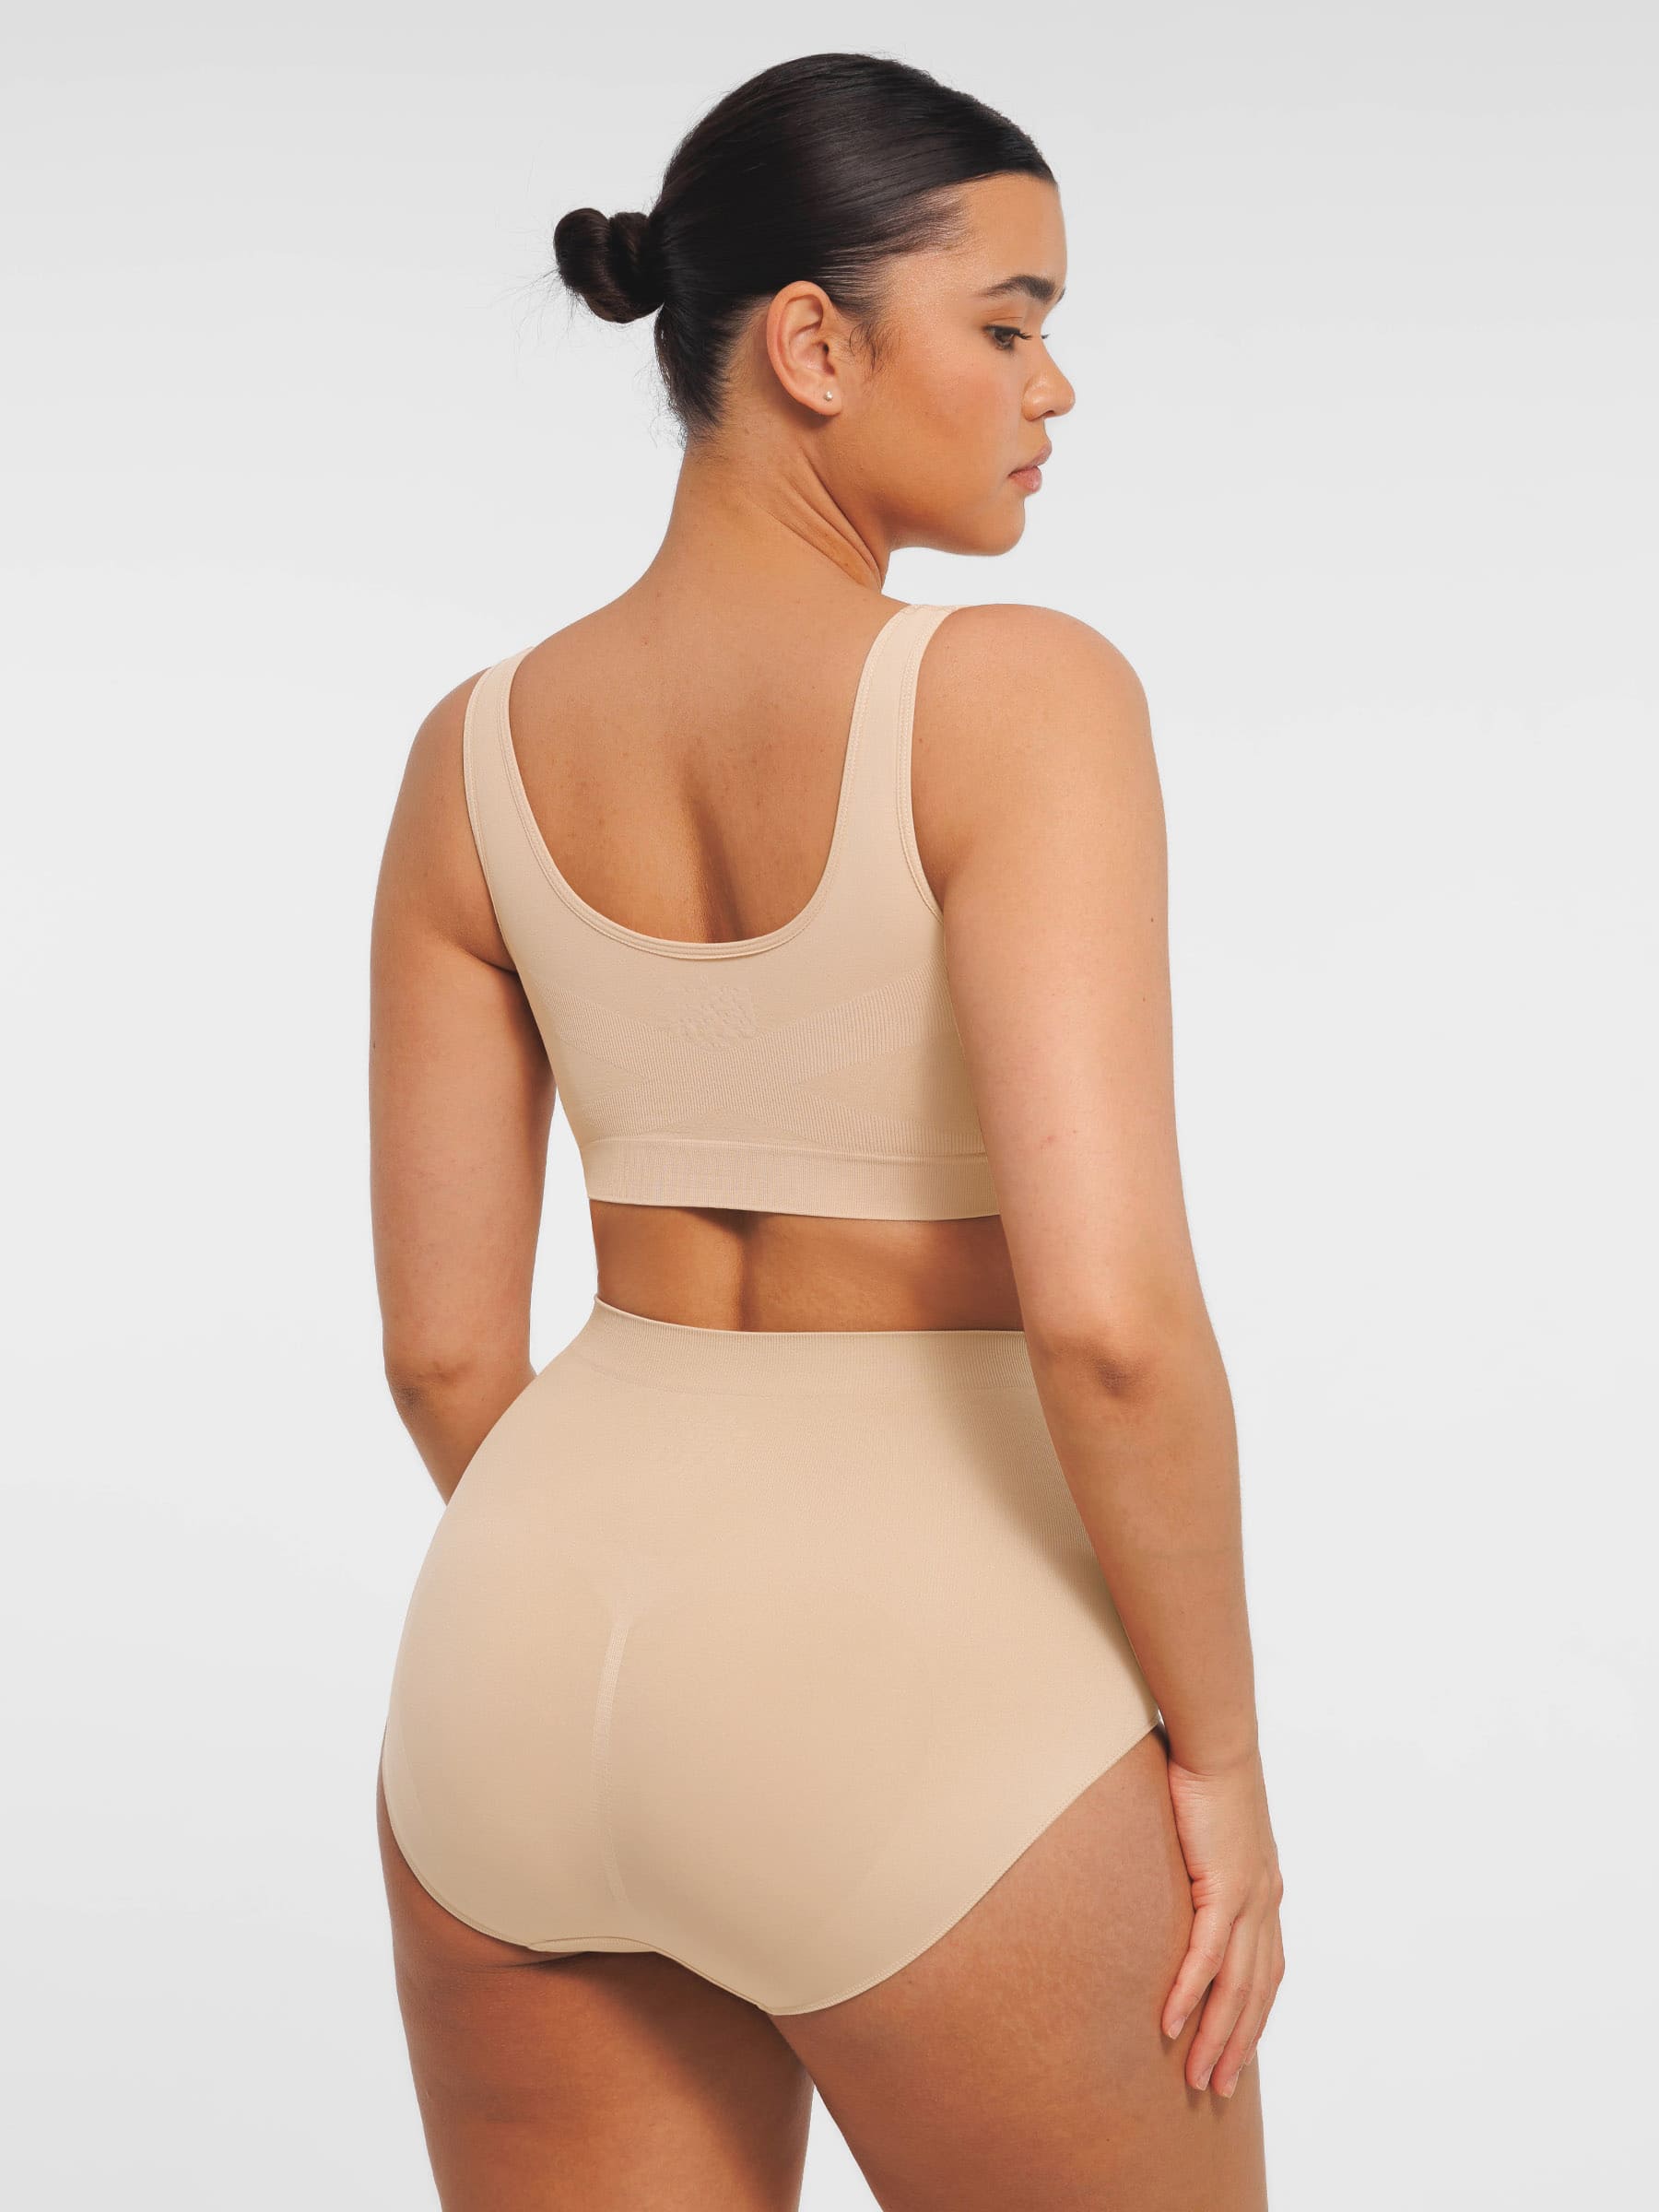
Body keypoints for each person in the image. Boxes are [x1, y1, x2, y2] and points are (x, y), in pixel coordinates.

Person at [369, 48, 1283, 2212]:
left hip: (513, 1662)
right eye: (1010, 324)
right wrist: (1226, 1765)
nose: (1054, 388)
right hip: (921, 1680)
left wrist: (652, 1588)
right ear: (809, 343)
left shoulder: (471, 754)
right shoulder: (1016, 696)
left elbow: (441, 1355)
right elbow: (1111, 1327)